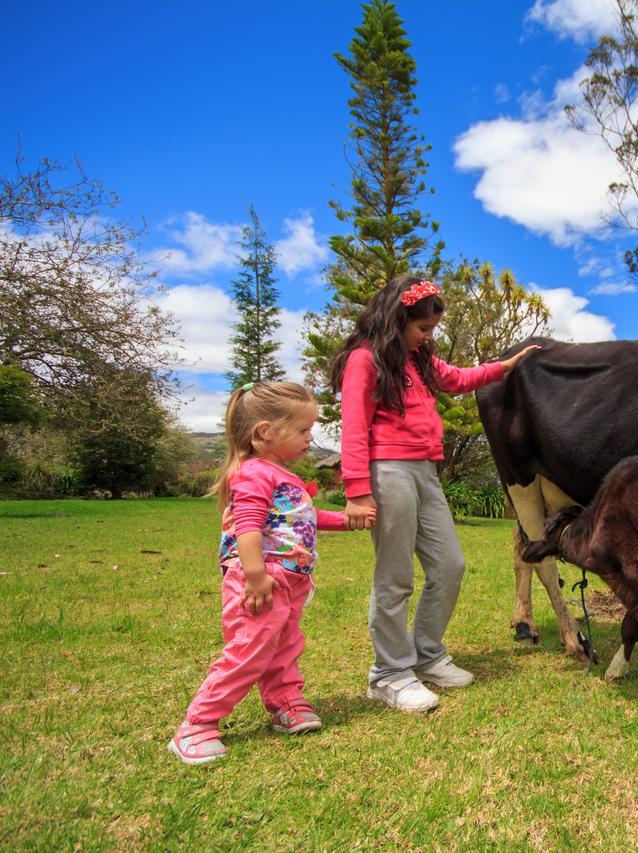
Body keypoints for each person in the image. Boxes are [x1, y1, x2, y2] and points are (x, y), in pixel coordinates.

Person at [330, 275, 538, 712]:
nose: (429, 337)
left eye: (432, 330)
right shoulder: (365, 361)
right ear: (397, 318)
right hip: (388, 472)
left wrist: (504, 367)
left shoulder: (419, 361)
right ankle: (388, 674)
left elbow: (460, 378)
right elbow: (353, 427)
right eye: (423, 328)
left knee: (449, 565)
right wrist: (356, 491)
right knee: (395, 576)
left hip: (425, 471)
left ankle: (426, 655)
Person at [169, 382, 376, 765]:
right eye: (302, 431)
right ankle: (197, 724)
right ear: (265, 432)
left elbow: (300, 519)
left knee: (284, 646)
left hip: (289, 581)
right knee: (249, 650)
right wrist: (255, 575)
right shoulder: (253, 473)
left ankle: (285, 704)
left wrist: (348, 520)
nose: (310, 439)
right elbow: (247, 526)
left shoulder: (281, 474)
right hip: (263, 581)